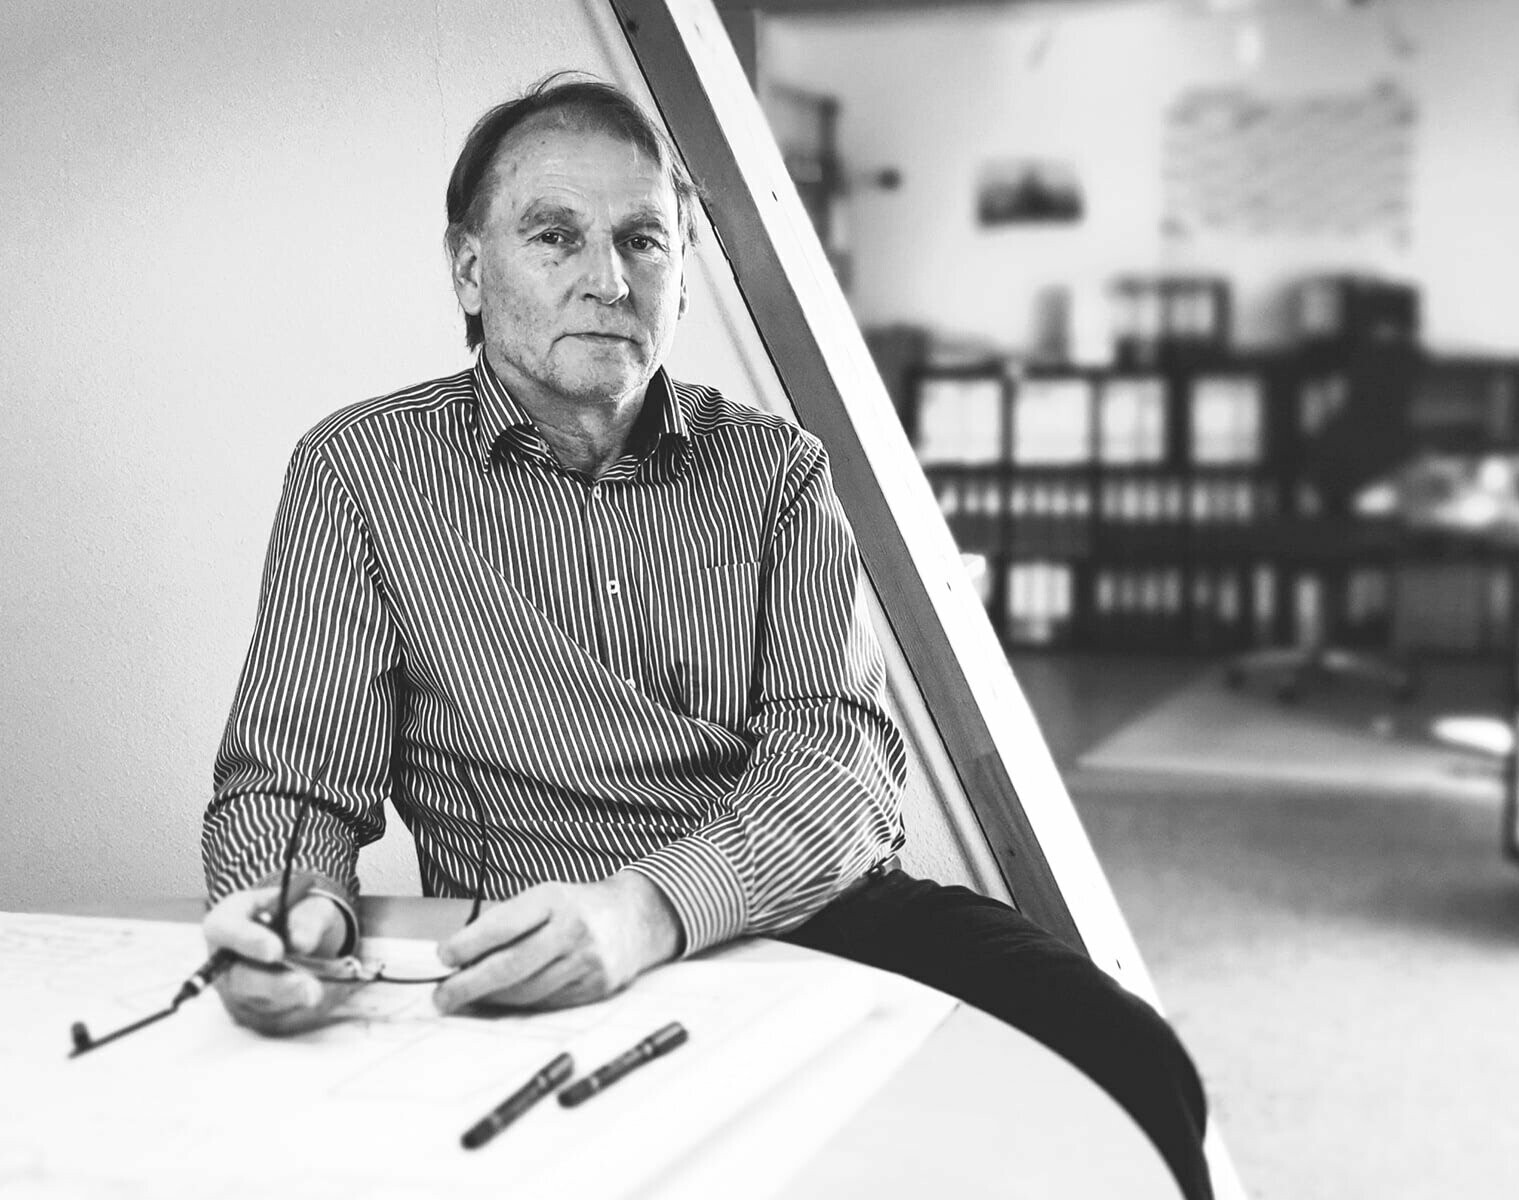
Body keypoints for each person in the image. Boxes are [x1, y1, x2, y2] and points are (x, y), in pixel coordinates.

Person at [200, 73, 1212, 1199]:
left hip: (811, 909)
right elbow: (293, 782)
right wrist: (293, 914)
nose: (607, 279)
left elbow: (840, 768)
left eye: (644, 240)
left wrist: (651, 908)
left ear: (680, 270)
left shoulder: (777, 469)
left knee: (1129, 1062)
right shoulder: (357, 470)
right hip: (534, 943)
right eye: (554, 236)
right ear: (468, 270)